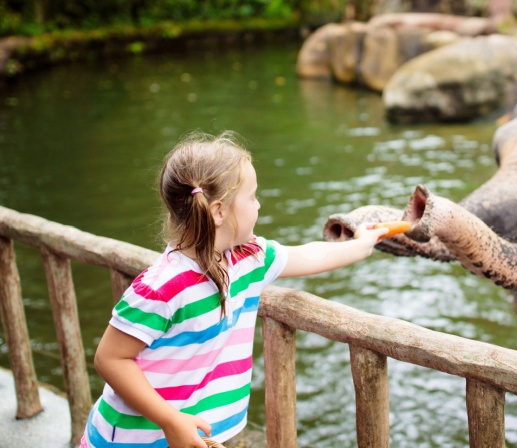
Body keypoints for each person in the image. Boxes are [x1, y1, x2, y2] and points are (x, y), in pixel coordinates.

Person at [81, 131, 388, 448]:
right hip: (133, 440)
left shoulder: (249, 259)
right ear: (218, 211)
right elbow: (110, 359)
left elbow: (309, 254)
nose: (259, 204)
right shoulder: (162, 286)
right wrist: (170, 420)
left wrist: (362, 245)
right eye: (252, 196)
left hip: (196, 437)